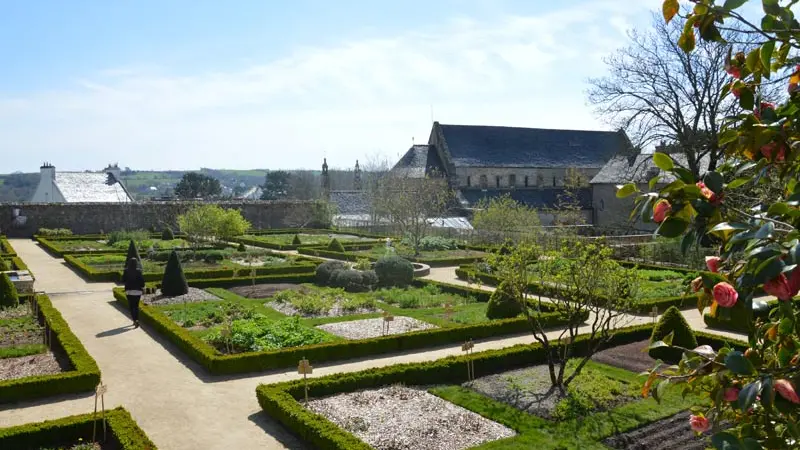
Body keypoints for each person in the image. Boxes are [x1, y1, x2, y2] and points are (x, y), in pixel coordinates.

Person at [122, 257, 145, 328]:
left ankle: (135, 320)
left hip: (129, 291)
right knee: (136, 306)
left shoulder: (126, 271)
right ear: (136, 263)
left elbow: (123, 280)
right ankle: (137, 319)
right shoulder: (139, 271)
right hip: (137, 291)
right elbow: (142, 282)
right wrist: (142, 287)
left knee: (132, 306)